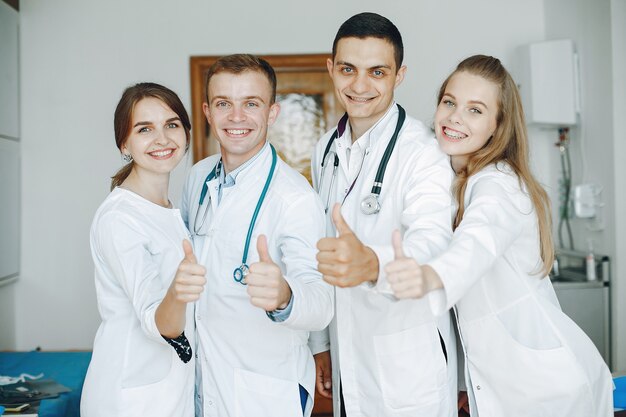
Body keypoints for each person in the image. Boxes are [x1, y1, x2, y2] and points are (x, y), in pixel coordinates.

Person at [384, 55, 614, 417]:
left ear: (498, 125)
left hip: (547, 391)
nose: (455, 117)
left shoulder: (497, 185)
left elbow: (477, 244)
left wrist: (427, 276)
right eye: (449, 102)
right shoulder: (453, 181)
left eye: (475, 110)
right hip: (499, 385)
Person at [309, 12, 458, 417]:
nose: (359, 85)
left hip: (409, 366)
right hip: (346, 357)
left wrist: (373, 264)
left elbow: (434, 244)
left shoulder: (425, 151)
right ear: (331, 69)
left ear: (399, 75)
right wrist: (321, 344)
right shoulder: (324, 149)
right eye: (347, 69)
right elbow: (321, 251)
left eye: (377, 71)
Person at [181, 54, 333, 417]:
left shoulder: (295, 198)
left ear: (272, 113)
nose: (236, 117)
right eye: (223, 104)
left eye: (251, 103)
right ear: (207, 111)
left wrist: (284, 295)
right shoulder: (196, 179)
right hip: (202, 384)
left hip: (265, 391)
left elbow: (322, 303)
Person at [81, 83, 206, 417]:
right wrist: (179, 292)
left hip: (167, 389)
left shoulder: (167, 207)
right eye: (144, 129)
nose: (162, 139)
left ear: (186, 132)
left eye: (172, 124)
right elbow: (159, 322)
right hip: (130, 399)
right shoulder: (120, 218)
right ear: (125, 142)